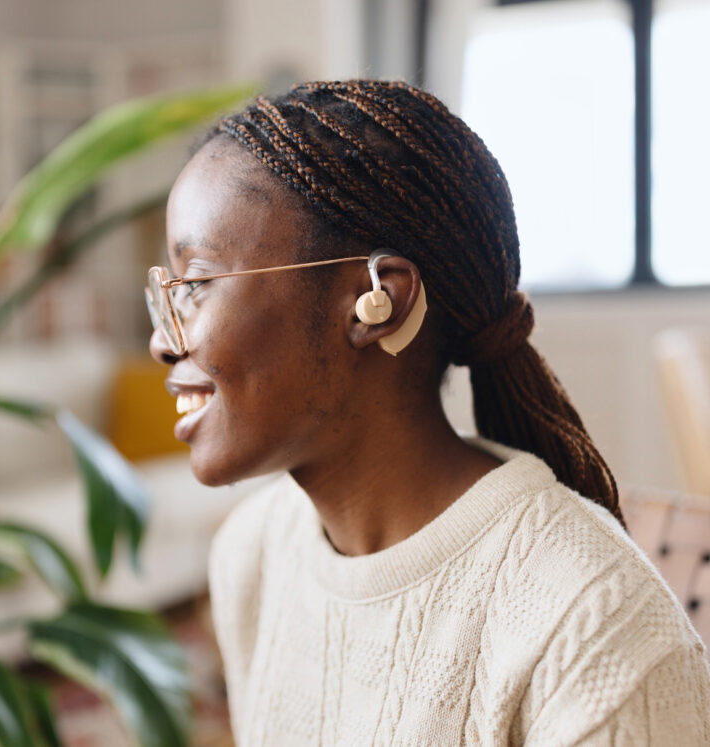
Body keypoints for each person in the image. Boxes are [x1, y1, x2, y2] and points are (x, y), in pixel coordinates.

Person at [145, 80, 710, 745]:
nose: (161, 340)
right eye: (168, 295)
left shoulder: (593, 624)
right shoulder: (252, 553)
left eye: (198, 286)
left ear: (375, 299)